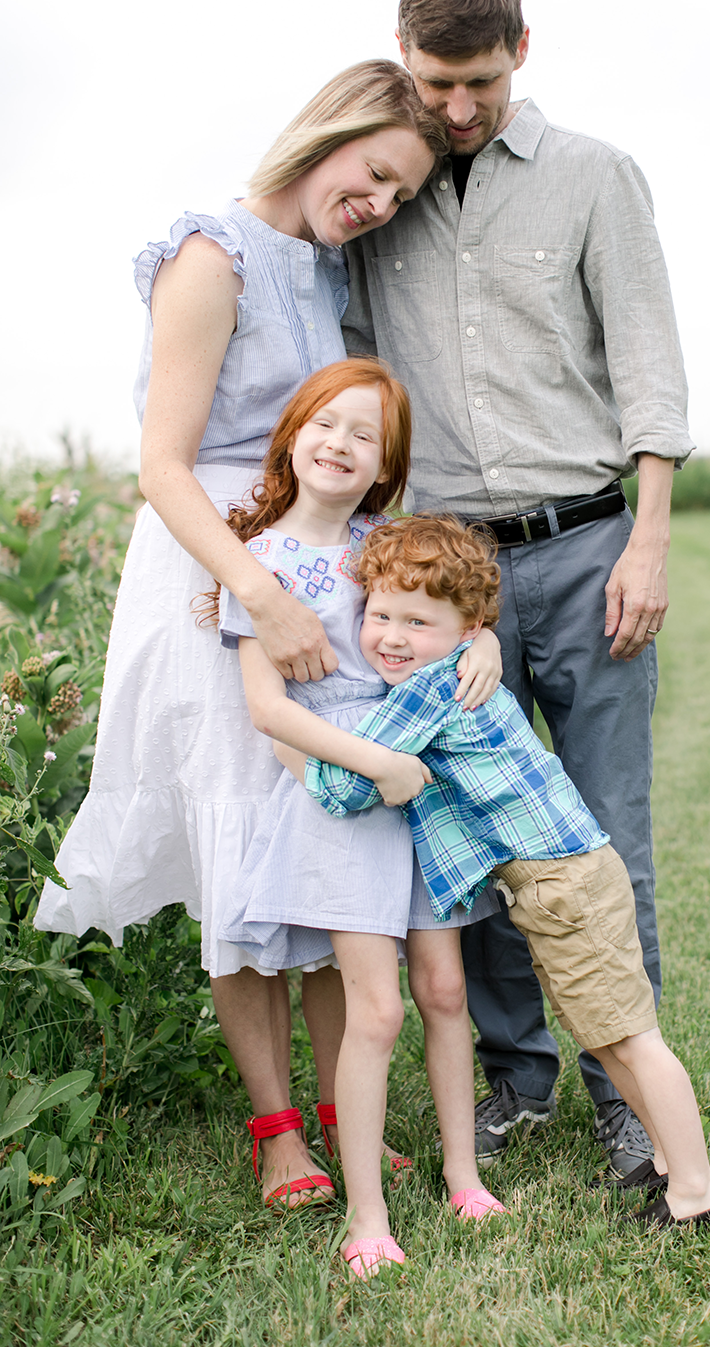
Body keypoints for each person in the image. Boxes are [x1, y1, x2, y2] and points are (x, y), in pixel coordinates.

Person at [34, 60, 461, 1213]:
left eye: (401, 194)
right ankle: (277, 1130)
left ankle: (341, 1108)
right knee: (240, 838)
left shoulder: (321, 270)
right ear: (329, 133)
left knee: (315, 826)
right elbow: (162, 465)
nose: (378, 203)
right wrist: (254, 589)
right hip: (214, 572)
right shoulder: (208, 255)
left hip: (311, 568)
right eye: (375, 171)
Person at [341, 0, 697, 1185]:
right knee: (469, 835)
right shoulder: (381, 196)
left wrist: (648, 540)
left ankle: (623, 1092)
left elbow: (649, 366)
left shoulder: (597, 177)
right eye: (435, 82)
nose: (456, 108)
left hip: (591, 547)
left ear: (522, 52)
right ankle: (516, 1080)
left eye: (479, 82)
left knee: (602, 840)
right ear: (404, 58)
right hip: (449, 574)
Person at [300, 515, 710, 1231]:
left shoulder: (429, 689)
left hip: (562, 887)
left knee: (631, 1038)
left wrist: (287, 739)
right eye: (379, 616)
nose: (393, 637)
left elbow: (346, 785)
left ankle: (697, 1192)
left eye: (418, 621)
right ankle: (670, 1162)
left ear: (470, 630)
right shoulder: (455, 666)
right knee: (609, 1033)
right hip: (567, 879)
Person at [217, 364, 505, 1277]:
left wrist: (487, 642)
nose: (340, 445)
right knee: (375, 1009)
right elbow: (268, 709)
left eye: (365, 436)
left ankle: (463, 1175)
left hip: (424, 782)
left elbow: (453, 607)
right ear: (293, 434)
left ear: (387, 465)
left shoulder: (385, 541)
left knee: (445, 989)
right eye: (326, 424)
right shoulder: (257, 564)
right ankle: (367, 1217)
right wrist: (376, 765)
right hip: (347, 791)